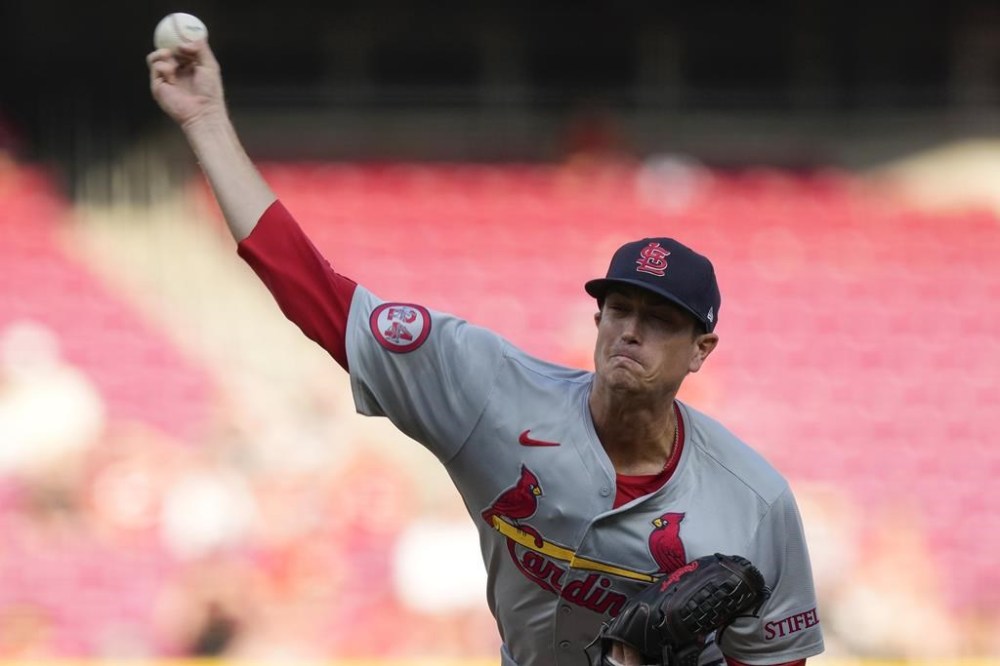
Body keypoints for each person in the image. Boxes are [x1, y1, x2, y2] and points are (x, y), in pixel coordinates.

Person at [146, 40, 825, 666]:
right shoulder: (490, 394)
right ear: (597, 315)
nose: (630, 330)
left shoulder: (753, 501)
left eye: (659, 320)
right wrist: (205, 120)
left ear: (701, 350)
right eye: (619, 308)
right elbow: (318, 296)